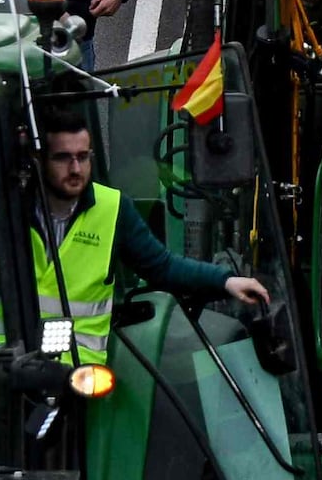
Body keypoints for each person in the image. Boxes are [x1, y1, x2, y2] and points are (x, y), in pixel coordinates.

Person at [20, 119, 265, 368]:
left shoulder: (112, 208)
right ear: (39, 160)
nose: (75, 168)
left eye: (83, 157)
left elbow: (162, 266)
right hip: (4, 357)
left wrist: (225, 280)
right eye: (63, 158)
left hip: (78, 369)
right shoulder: (6, 209)